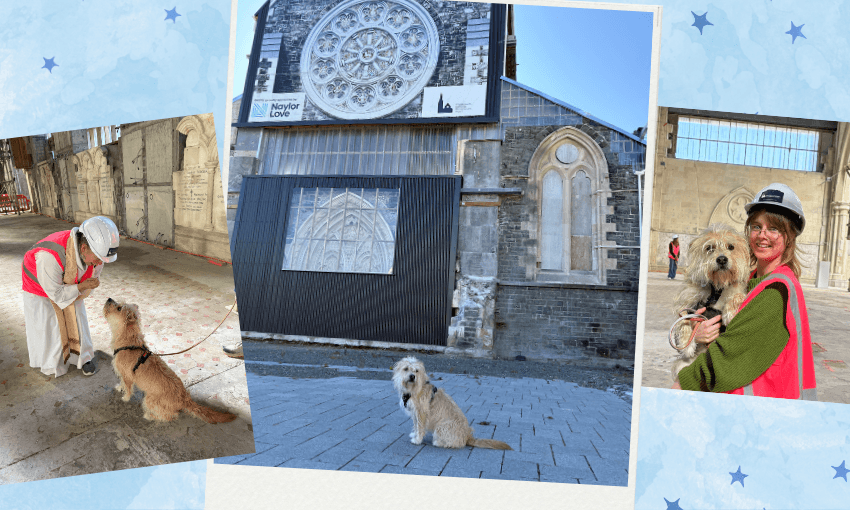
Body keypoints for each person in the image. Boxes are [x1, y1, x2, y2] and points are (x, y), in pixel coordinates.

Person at [673, 183, 817, 400]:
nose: (762, 235)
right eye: (757, 227)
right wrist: (695, 330)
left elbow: (725, 358)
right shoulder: (752, 280)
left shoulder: (775, 291)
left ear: (789, 237)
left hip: (757, 411)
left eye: (774, 229)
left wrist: (679, 386)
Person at [22, 216, 120, 377]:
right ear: (83, 249)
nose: (99, 263)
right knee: (51, 326)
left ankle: (83, 357)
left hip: (69, 285)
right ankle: (53, 363)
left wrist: (83, 287)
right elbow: (56, 294)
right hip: (40, 288)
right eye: (97, 259)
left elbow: (89, 280)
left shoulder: (96, 256)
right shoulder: (49, 256)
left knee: (77, 316)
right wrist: (81, 286)